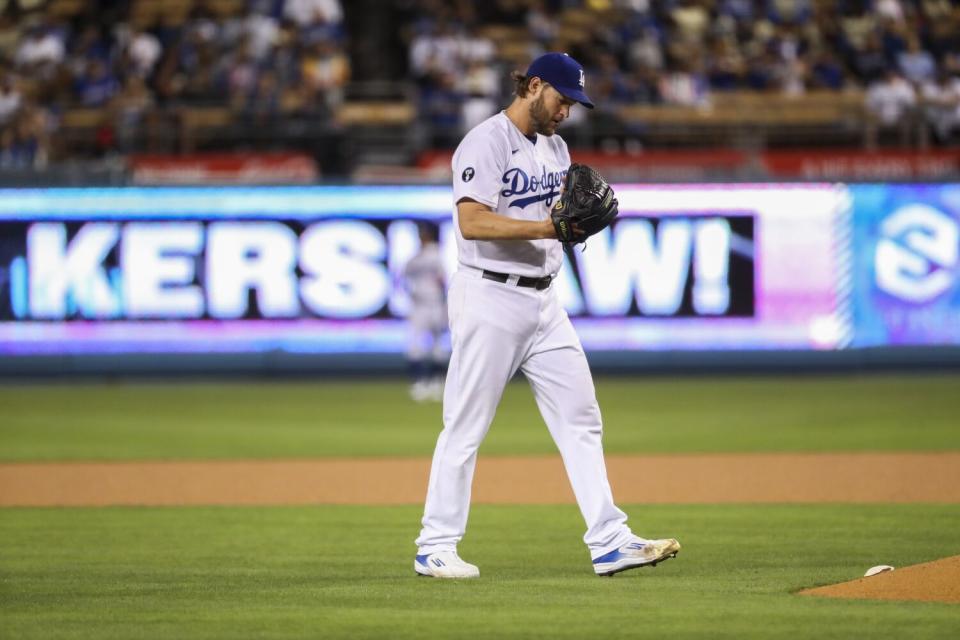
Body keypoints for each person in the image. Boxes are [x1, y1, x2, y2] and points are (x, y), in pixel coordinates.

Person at [413, 52, 681, 579]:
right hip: (489, 297)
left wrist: (565, 228)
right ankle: (435, 544)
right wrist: (549, 230)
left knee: (582, 418)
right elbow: (472, 222)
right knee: (465, 426)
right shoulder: (485, 142)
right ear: (533, 86)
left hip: (544, 302)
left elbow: (559, 220)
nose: (567, 112)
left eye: (574, 104)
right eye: (562, 99)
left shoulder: (556, 148)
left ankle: (610, 540)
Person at [403, 223, 448, 403]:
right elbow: (404, 277)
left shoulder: (435, 254)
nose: (422, 237)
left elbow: (443, 281)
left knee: (437, 346)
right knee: (416, 345)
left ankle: (436, 382)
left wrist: (445, 305)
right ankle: (420, 383)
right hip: (419, 305)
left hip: (435, 303)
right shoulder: (416, 256)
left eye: (424, 234)